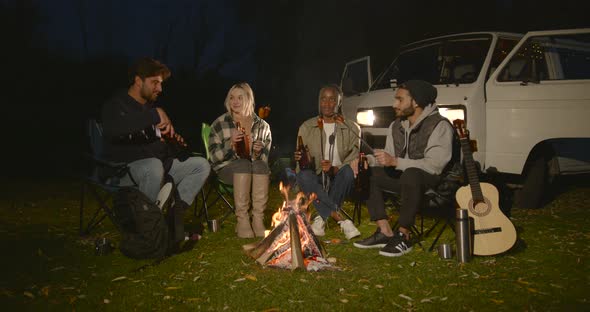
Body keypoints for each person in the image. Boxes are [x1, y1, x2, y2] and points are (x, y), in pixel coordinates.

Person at [101, 57, 210, 249]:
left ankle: (168, 220)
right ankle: (147, 231)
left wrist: (173, 142)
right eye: (155, 83)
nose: (160, 89)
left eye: (161, 84)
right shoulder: (116, 105)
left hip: (158, 167)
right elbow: (113, 129)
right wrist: (155, 114)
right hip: (123, 172)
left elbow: (158, 149)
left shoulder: (151, 109)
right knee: (153, 166)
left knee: (200, 165)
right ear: (138, 81)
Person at [352, 80, 454, 257]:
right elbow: (389, 156)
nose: (394, 104)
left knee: (412, 174)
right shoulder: (396, 126)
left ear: (416, 102)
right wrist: (366, 160)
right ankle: (384, 231)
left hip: (431, 182)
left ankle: (404, 235)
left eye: (400, 100)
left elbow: (435, 166)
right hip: (404, 179)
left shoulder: (440, 125)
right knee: (368, 172)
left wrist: (396, 162)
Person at [294, 84, 361, 240]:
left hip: (339, 175)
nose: (327, 103)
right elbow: (301, 164)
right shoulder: (307, 127)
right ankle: (341, 220)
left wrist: (335, 169)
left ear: (339, 102)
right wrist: (302, 158)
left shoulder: (352, 128)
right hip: (316, 175)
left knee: (348, 172)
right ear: (319, 101)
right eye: (323, 99)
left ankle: (320, 219)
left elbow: (353, 157)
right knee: (304, 176)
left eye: (332, 99)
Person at [209, 82, 272, 238]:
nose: (234, 102)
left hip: (253, 169)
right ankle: (242, 220)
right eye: (231, 98)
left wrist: (258, 151)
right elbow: (213, 157)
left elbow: (264, 160)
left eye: (239, 97)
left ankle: (257, 219)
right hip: (227, 170)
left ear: (249, 99)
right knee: (243, 163)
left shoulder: (263, 126)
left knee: (261, 166)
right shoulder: (220, 123)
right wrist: (230, 145)